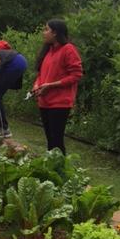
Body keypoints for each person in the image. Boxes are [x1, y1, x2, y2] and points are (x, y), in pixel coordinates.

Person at [32, 19, 82, 155]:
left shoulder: (68, 50)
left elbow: (76, 75)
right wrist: (36, 85)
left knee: (56, 141)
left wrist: (51, 86)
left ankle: (61, 166)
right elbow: (41, 74)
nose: (43, 33)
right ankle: (51, 166)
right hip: (44, 102)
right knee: (50, 140)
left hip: (60, 102)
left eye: (46, 29)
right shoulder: (48, 51)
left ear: (55, 33)